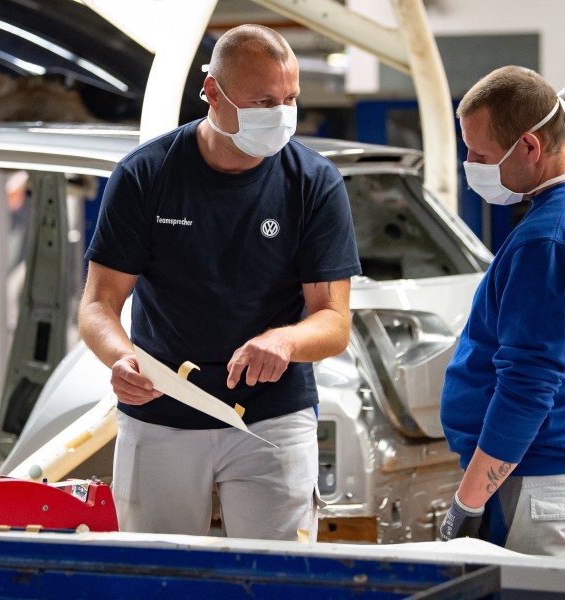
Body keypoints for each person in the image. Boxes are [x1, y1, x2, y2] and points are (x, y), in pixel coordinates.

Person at [78, 24, 360, 542]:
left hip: (272, 422)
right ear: (211, 92)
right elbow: (98, 303)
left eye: (290, 98)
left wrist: (285, 339)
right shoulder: (146, 175)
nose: (280, 113)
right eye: (262, 101)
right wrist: (120, 357)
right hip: (159, 416)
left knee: (279, 579)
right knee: (156, 575)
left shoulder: (314, 182)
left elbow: (334, 321)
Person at [439, 65, 565, 557]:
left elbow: (526, 390)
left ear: (530, 147)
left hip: (539, 485)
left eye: (480, 154)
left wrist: (466, 504)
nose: (471, 164)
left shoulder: (550, 239)